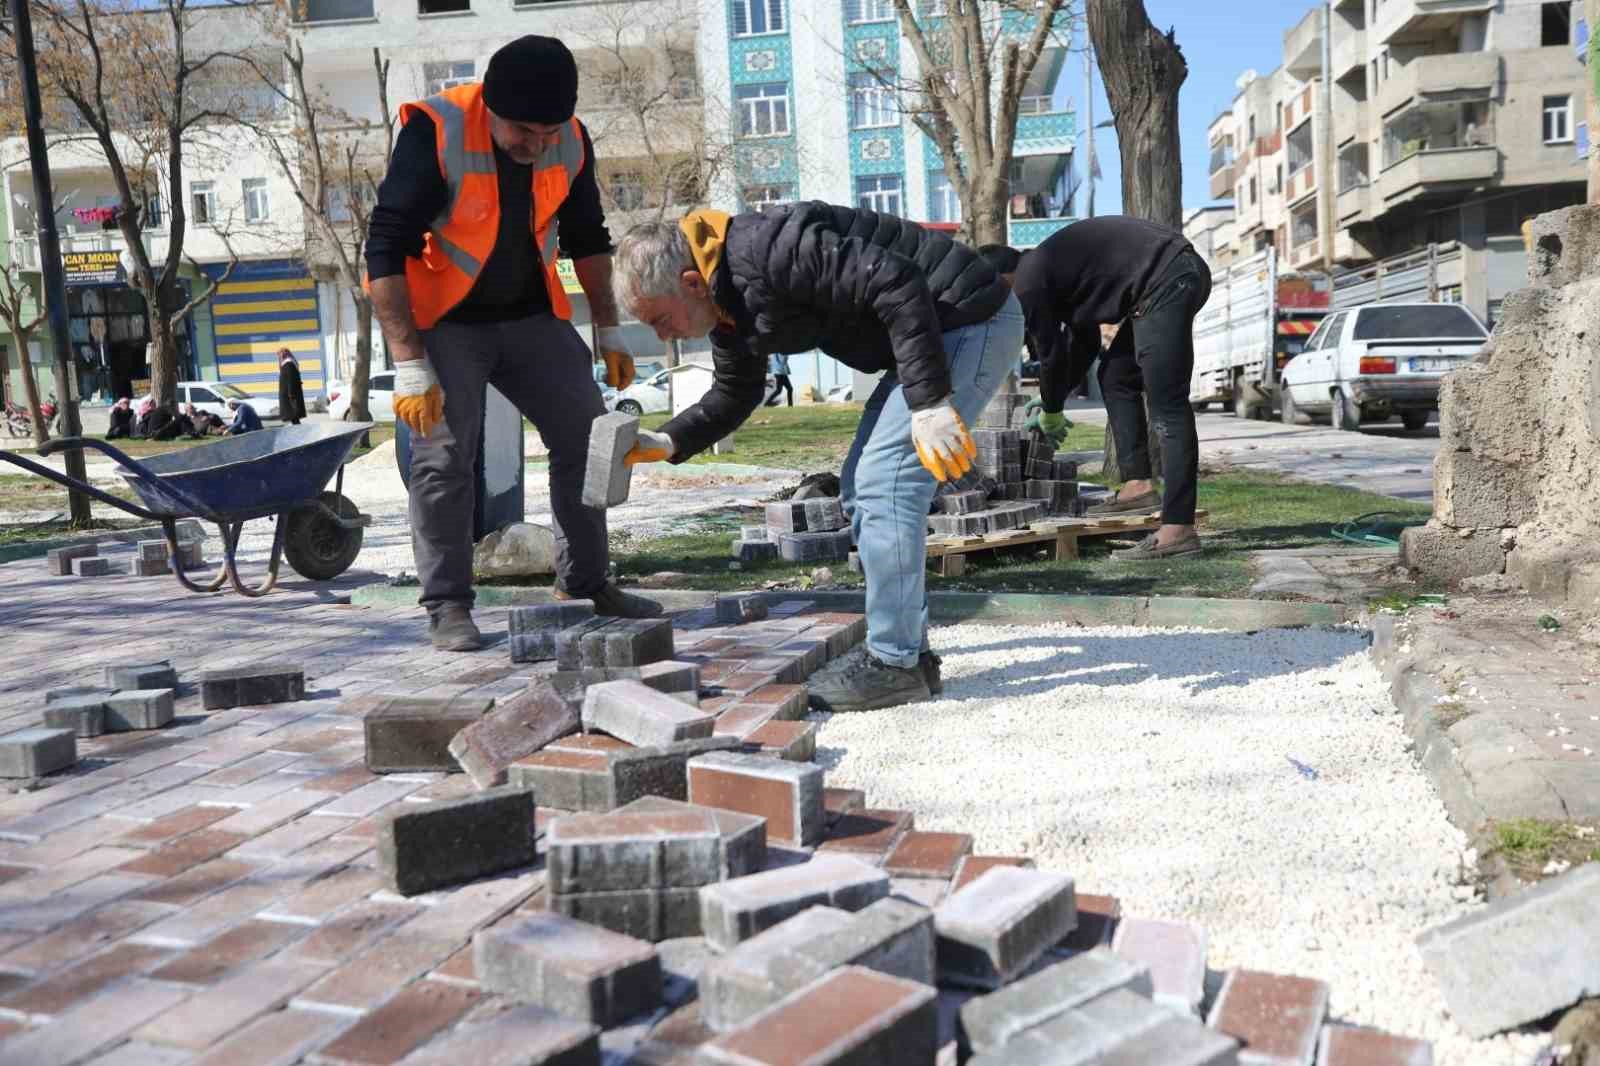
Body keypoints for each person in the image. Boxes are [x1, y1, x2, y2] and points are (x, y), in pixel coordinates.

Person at [611, 203, 1022, 712]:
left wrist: (930, 402)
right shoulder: (726, 302)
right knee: (860, 489)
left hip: (970, 319)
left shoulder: (771, 249)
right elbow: (736, 390)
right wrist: (668, 441)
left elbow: (896, 281)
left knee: (886, 484)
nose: (662, 336)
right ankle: (908, 656)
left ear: (691, 282)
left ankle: (894, 665)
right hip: (932, 333)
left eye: (660, 320)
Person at [367, 34, 661, 652]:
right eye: (524, 131)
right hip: (446, 321)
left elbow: (587, 236)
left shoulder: (570, 139)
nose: (537, 145)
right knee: (444, 459)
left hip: (531, 315)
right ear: (492, 108)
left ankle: (586, 583)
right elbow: (385, 246)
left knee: (588, 439)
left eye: (548, 132)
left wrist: (608, 327)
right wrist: (409, 362)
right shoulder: (436, 130)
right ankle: (448, 605)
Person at [1010, 216, 1213, 561]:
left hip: (1168, 277)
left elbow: (1050, 355)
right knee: (1116, 377)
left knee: (1167, 405)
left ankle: (1178, 529)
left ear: (1004, 279)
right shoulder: (1055, 273)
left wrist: (1052, 408)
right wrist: (1052, 398)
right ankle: (1138, 486)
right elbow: (1085, 344)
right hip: (1170, 275)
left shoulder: (1027, 284)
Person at [278, 348, 307, 425]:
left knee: (294, 416)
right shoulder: (288, 364)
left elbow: (291, 380)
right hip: (290, 394)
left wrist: (291, 394)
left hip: (289, 396)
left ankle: (299, 431)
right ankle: (299, 430)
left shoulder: (288, 364)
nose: (279, 358)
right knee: (294, 419)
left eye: (280, 355)